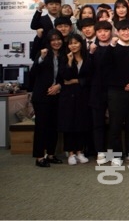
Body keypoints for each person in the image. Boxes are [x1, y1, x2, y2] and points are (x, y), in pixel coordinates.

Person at [105, 19, 129, 166]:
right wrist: (111, 46)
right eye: (123, 30)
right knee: (115, 124)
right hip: (116, 92)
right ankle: (116, 155)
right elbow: (104, 68)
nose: (126, 33)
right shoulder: (112, 48)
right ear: (117, 32)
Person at [31, 29, 65, 167]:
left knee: (54, 126)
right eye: (53, 40)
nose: (56, 42)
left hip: (57, 95)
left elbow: (66, 75)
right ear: (49, 42)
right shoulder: (43, 53)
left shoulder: (64, 55)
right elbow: (33, 73)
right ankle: (39, 156)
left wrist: (59, 86)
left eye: (58, 39)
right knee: (41, 127)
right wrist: (41, 58)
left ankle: (51, 154)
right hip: (42, 96)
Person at [59, 33, 92, 165]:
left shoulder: (87, 58)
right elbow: (65, 77)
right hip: (68, 97)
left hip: (83, 95)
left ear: (81, 44)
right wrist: (69, 61)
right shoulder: (64, 58)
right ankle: (71, 153)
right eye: (70, 43)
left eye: (76, 43)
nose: (73, 46)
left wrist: (76, 81)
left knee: (81, 123)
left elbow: (90, 77)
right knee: (69, 124)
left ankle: (79, 151)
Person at [88, 20, 113, 165]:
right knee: (98, 123)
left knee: (115, 123)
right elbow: (87, 70)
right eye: (99, 31)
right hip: (97, 91)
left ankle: (113, 151)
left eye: (106, 31)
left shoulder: (116, 46)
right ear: (96, 33)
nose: (103, 34)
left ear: (111, 32)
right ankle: (100, 152)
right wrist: (91, 54)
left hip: (114, 90)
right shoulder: (92, 48)